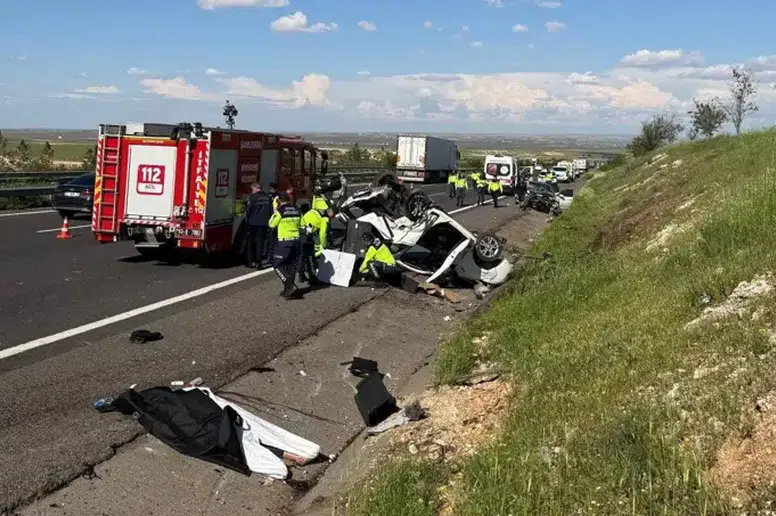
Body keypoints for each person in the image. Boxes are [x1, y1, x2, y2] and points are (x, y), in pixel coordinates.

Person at [268, 192, 302, 299]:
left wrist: (274, 210)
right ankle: (288, 290)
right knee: (290, 266)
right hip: (296, 241)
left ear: (279, 201)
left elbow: (271, 224)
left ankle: (289, 284)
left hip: (284, 242)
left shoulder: (280, 211)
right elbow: (302, 224)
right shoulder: (297, 209)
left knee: (277, 265)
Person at [244, 182, 273, 268]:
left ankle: (250, 262)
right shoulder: (268, 197)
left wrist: (247, 219)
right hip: (264, 223)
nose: (252, 191)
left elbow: (248, 210)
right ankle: (259, 263)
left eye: (252, 189)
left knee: (250, 243)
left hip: (253, 223)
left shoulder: (253, 197)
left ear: (256, 188)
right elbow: (271, 211)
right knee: (260, 243)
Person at [298, 202, 327, 285]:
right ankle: (312, 277)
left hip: (301, 234)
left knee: (302, 256)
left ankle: (301, 275)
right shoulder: (323, 218)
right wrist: (323, 245)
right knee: (310, 256)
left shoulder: (308, 213)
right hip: (308, 236)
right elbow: (322, 234)